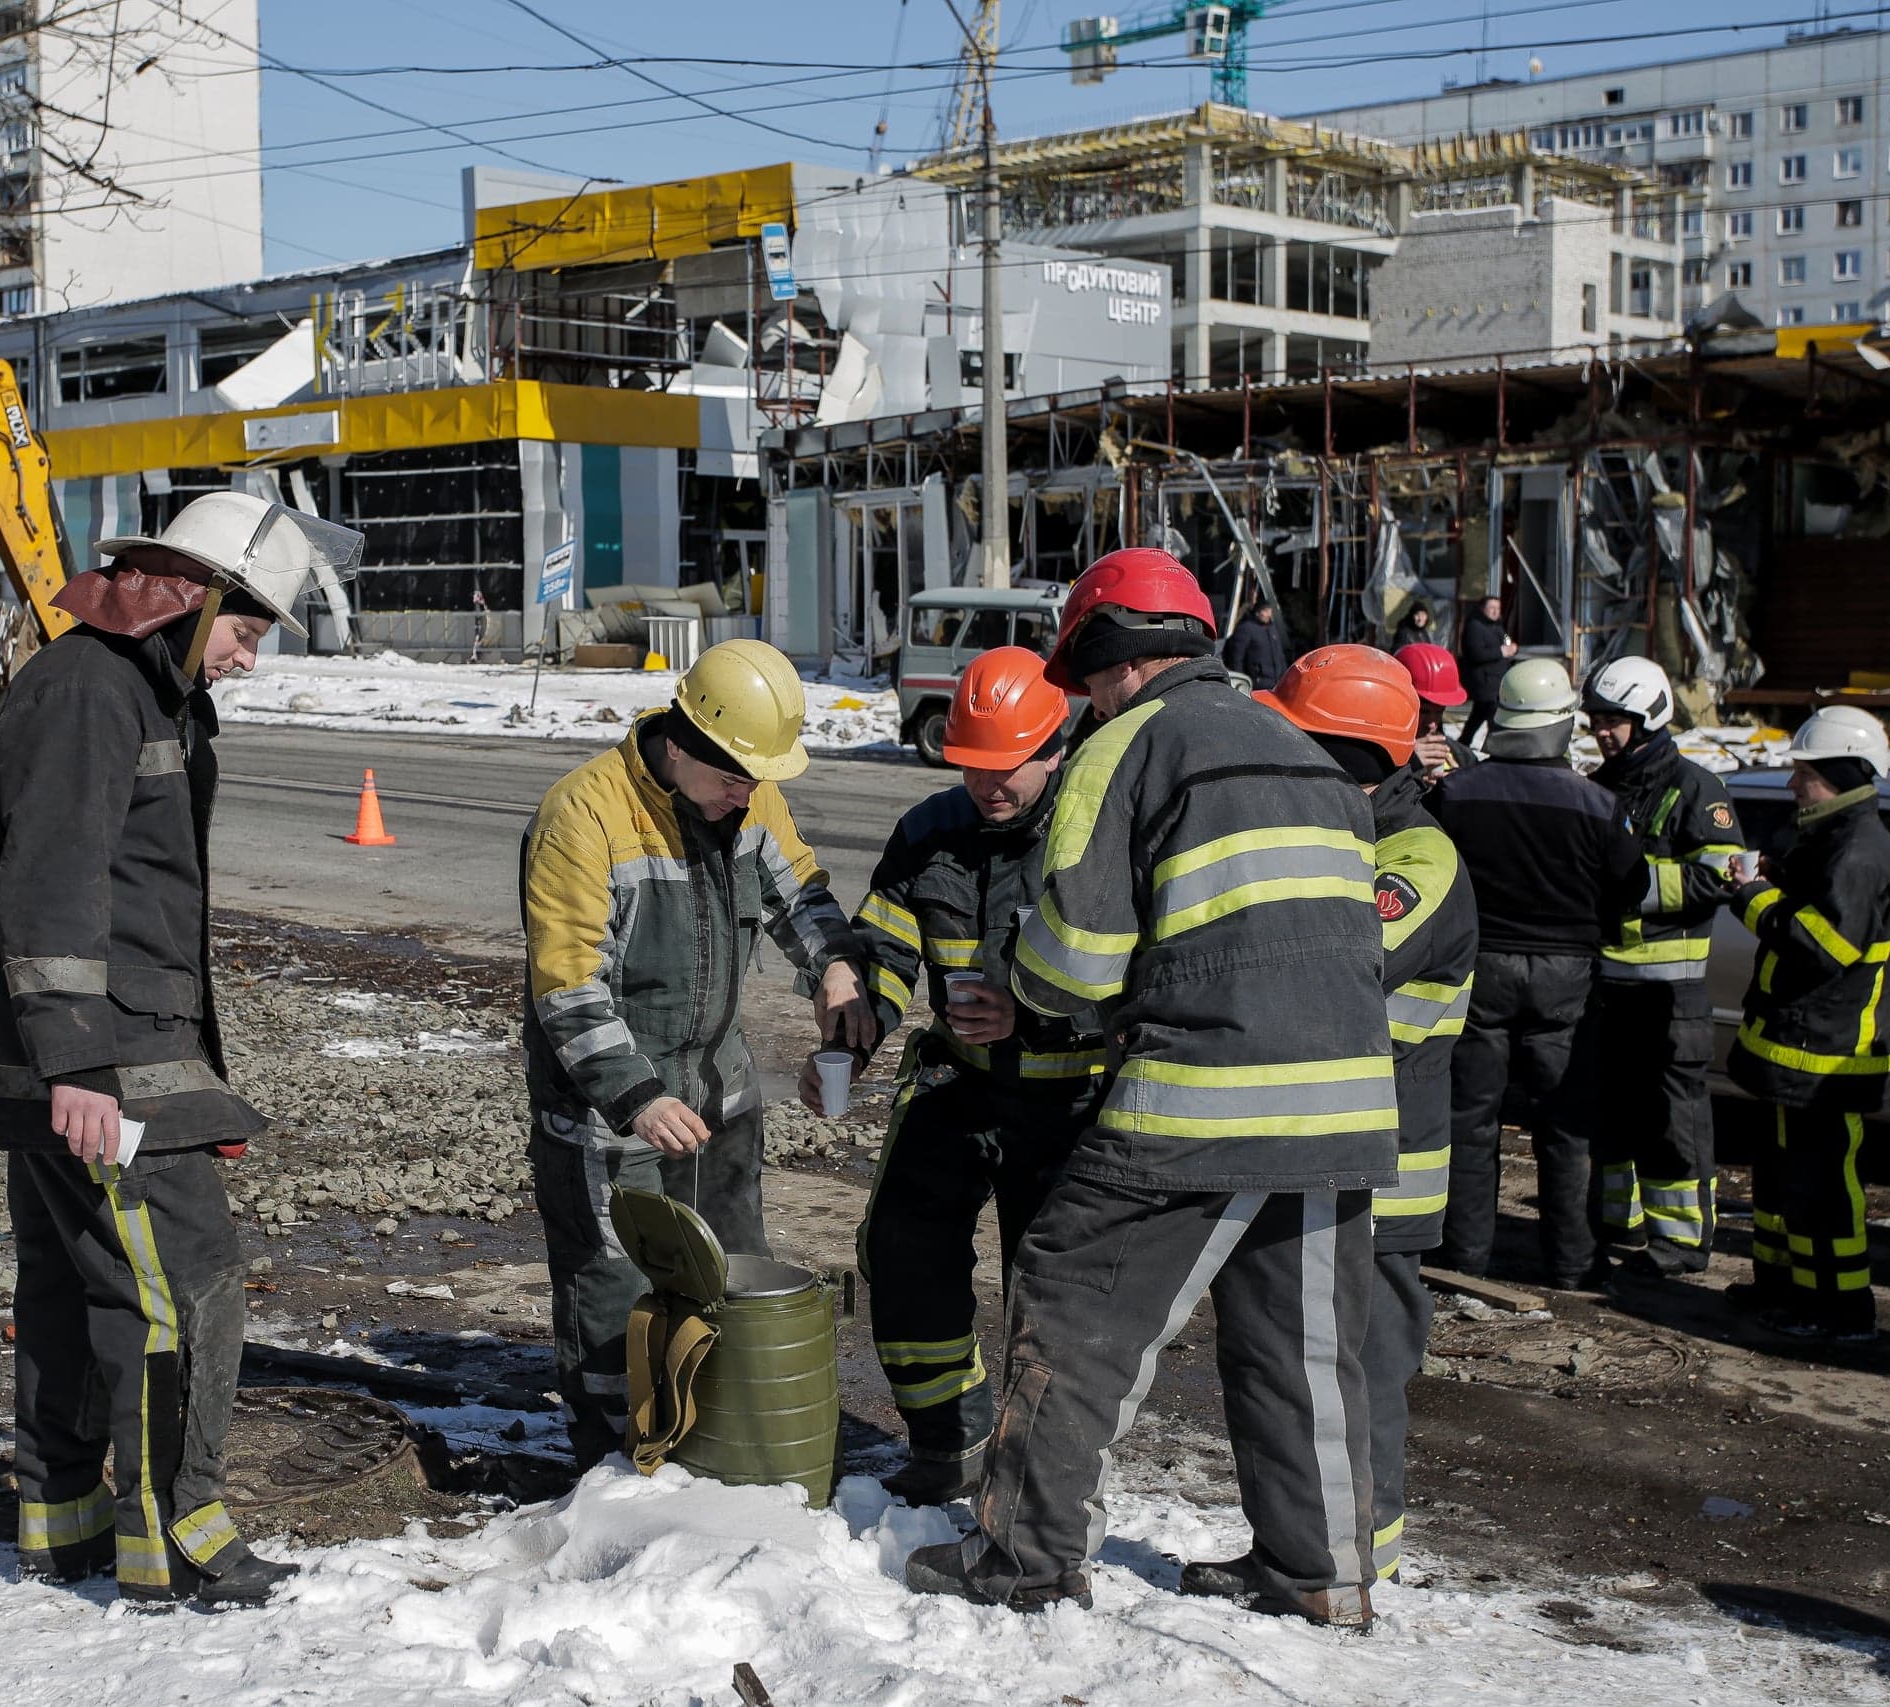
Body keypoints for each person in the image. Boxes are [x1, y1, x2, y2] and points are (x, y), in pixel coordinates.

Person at [905, 548, 1396, 1629]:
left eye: (1078, 679)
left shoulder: (1125, 745)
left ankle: (1023, 1557)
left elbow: (1076, 959)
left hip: (1204, 1092)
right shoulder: (1300, 747)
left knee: (1074, 1295)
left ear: (1103, 660)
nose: (1078, 699)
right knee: (1303, 1349)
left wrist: (1020, 986)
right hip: (1349, 1102)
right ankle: (1318, 1573)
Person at [0, 491, 359, 1606]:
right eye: (245, 633)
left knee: (71, 1292)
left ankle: (67, 1523)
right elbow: (54, 888)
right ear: (190, 599)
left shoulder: (132, 689)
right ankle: (179, 1530)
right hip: (112, 1068)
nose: (247, 659)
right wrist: (79, 1068)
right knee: (184, 1291)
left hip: (102, 1059)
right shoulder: (92, 692)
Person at [521, 639, 874, 1469]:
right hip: (611, 1107)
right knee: (615, 1283)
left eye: (756, 781)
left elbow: (801, 892)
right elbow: (569, 987)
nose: (745, 797)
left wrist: (834, 966)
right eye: (731, 780)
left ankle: (716, 1434)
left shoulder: (748, 796)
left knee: (731, 1271)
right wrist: (636, 1095)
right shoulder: (585, 816)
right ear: (679, 744)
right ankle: (613, 1459)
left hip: (720, 1096)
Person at [1208, 645, 1477, 1594]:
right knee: (1293, 1365)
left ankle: (1366, 1561)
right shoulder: (1338, 834)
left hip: (1386, 1168)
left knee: (1357, 1375)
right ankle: (1307, 1548)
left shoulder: (1418, 857)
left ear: (1349, 758)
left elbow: (1328, 956)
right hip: (1317, 1148)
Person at [838, 645, 1102, 1506]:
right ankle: (947, 1439)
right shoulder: (929, 832)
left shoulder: (1096, 836)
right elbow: (883, 946)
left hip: (1073, 1097)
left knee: (1054, 1288)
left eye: (1009, 767)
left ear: (1056, 747)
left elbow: (1147, 974)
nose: (990, 785)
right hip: (961, 1082)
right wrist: (855, 1025)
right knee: (902, 1246)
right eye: (973, 764)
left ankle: (1045, 1475)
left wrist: (1030, 1012)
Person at [1428, 657, 1641, 1287]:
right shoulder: (1600, 805)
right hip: (1567, 977)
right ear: (1562, 724)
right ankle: (1572, 1264)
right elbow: (1630, 889)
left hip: (1480, 969)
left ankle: (1465, 1257)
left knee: (1471, 1122)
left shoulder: (1456, 793)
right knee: (1566, 1127)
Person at [1721, 706, 1890, 1341]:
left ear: (1843, 774)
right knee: (1780, 1181)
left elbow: (1819, 947)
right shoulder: (1834, 839)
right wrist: (1775, 874)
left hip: (1829, 1058)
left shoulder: (1859, 850)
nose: (1792, 786)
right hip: (1803, 1049)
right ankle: (1784, 1287)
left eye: (1804, 775)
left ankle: (1839, 1309)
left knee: (1823, 1187)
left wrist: (1754, 898)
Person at [1581, 656, 1746, 1279]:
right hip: (1606, 990)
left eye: (1614, 720)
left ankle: (1679, 1245)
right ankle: (1616, 1227)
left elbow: (1722, 876)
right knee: (1613, 1118)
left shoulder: (1698, 789)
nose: (1602, 731)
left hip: (1670, 995)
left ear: (1648, 716)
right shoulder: (1600, 785)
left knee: (1672, 1124)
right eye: (1597, 719)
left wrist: (1637, 882)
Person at [1396, 641, 1473, 784]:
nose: (1432, 724)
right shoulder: (1376, 761)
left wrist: (1460, 786)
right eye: (1424, 711)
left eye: (1439, 712)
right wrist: (1409, 769)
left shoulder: (1462, 757)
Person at [1458, 595, 1516, 749]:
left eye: (1498, 608)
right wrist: (1501, 652)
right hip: (1484, 681)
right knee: (1493, 716)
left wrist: (1510, 650)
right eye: (1492, 608)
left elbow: (1503, 643)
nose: (1495, 611)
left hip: (1496, 681)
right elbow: (1475, 653)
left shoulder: (1497, 625)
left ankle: (1463, 743)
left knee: (1478, 715)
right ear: (1483, 609)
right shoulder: (1474, 626)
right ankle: (1496, 748)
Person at [1222, 596, 1289, 690]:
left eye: (1270, 611)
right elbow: (1237, 657)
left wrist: (1285, 676)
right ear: (1257, 612)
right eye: (1265, 611)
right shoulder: (1246, 629)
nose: (1269, 614)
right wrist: (1240, 682)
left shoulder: (1272, 629)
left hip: (1276, 683)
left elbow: (1280, 655)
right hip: (1257, 684)